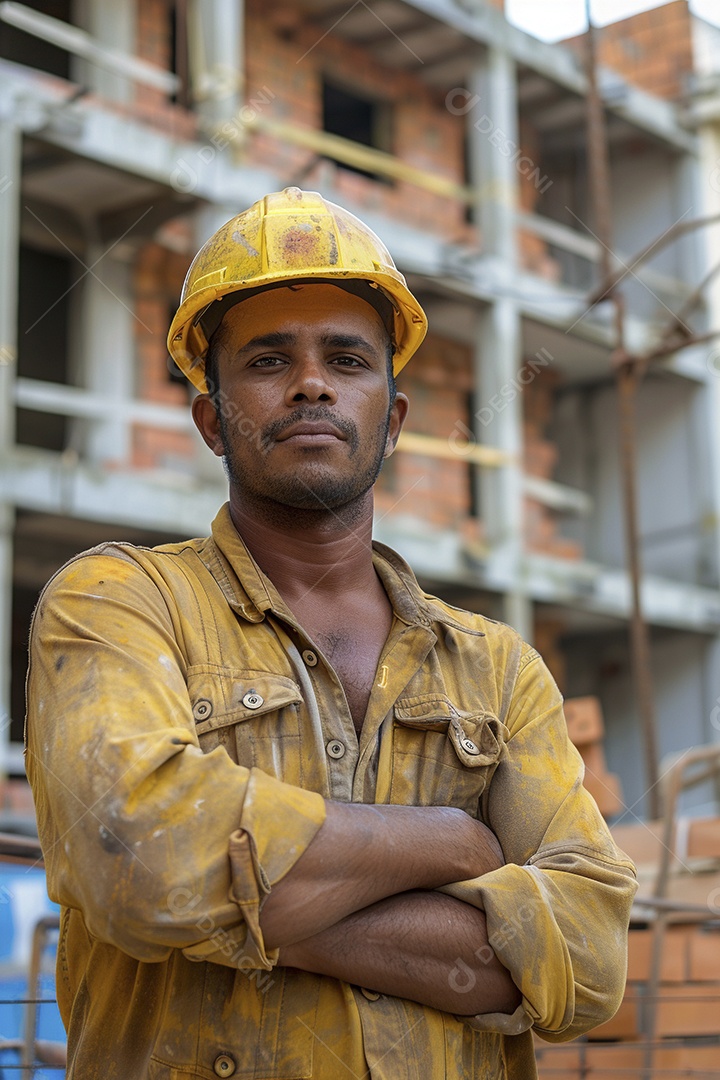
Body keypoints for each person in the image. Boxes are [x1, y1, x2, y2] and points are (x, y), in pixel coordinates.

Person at [25, 187, 636, 1080]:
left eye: (346, 358)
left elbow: (587, 963)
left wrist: (237, 908)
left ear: (390, 422)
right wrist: (448, 842)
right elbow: (134, 858)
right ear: (211, 421)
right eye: (269, 359)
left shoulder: (498, 671)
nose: (311, 381)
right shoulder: (117, 601)